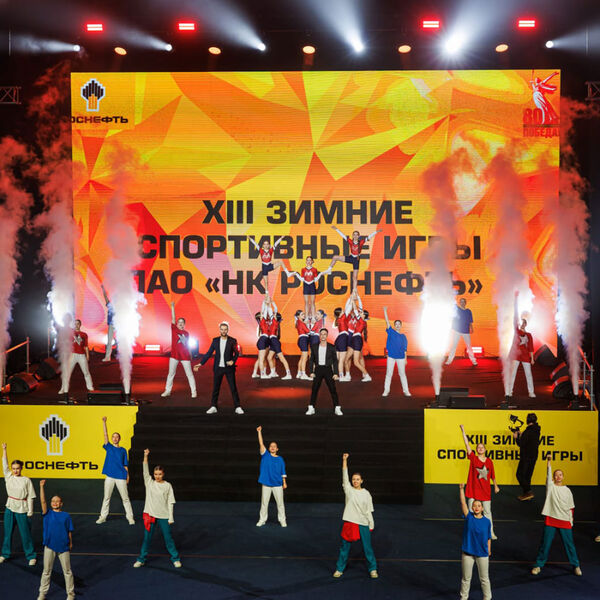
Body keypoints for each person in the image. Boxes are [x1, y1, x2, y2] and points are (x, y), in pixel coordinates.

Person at [531, 458, 582, 576]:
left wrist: (571, 521)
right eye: (556, 475)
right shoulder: (551, 487)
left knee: (570, 545)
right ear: (553, 477)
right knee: (545, 544)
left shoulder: (567, 490)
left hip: (565, 521)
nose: (558, 476)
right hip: (551, 519)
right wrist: (549, 463)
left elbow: (571, 507)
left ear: (563, 477)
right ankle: (538, 565)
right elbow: (548, 475)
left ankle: (576, 565)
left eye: (560, 475)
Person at [133, 449, 181, 569]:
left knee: (168, 539)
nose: (157, 476)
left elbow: (171, 502)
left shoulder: (167, 485)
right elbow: (145, 469)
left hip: (164, 516)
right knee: (147, 539)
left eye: (159, 474)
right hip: (150, 515)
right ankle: (141, 559)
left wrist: (171, 517)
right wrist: (145, 456)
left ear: (163, 474)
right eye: (155, 474)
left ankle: (175, 558)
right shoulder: (149, 483)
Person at [333, 453, 377, 579]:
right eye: (353, 479)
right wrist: (344, 460)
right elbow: (344, 475)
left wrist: (371, 524)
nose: (355, 481)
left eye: (358, 479)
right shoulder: (349, 490)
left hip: (363, 523)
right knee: (344, 548)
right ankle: (339, 569)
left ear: (362, 481)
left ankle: (373, 569)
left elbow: (368, 511)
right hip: (350, 522)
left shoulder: (366, 494)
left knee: (367, 548)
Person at [460, 425, 499, 540]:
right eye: (478, 447)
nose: (480, 448)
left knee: (487, 512)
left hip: (485, 491)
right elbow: (467, 444)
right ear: (476, 450)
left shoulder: (489, 461)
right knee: (470, 512)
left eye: (482, 447)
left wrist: (496, 486)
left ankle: (490, 533)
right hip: (473, 490)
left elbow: (492, 475)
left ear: (485, 450)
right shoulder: (473, 458)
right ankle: (470, 532)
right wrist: (463, 431)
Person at [194, 322, 243, 414]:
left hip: (229, 368)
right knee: (216, 388)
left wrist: (233, 361)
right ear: (220, 330)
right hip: (218, 368)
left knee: (233, 388)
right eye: (222, 329)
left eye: (225, 329)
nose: (223, 331)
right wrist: (200, 363)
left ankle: (237, 406)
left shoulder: (232, 340)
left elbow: (236, 353)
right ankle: (213, 406)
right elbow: (209, 353)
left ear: (228, 330)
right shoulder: (215, 340)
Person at [37, 480, 75, 600]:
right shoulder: (47, 513)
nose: (55, 503)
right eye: (53, 501)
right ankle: (42, 593)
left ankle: (70, 594)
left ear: (61, 503)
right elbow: (42, 501)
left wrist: (70, 543)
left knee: (67, 571)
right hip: (49, 546)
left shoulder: (66, 516)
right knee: (46, 571)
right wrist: (41, 487)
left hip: (63, 547)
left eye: (57, 501)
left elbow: (69, 530)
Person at [0, 443, 36, 565]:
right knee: (7, 533)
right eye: (14, 468)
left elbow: (30, 496)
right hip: (10, 508)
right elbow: (4, 464)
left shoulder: (26, 480)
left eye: (18, 468)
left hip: (22, 509)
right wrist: (4, 450)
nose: (15, 470)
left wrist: (30, 510)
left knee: (25, 534)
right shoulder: (8, 477)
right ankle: (5, 554)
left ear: (21, 468)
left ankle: (31, 556)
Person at [96, 416, 134, 525]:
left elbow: (125, 465)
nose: (115, 438)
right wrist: (104, 423)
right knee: (106, 498)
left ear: (119, 439)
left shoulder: (123, 450)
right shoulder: (109, 447)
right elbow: (105, 435)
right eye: (113, 437)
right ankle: (103, 517)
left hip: (121, 476)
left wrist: (127, 476)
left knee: (125, 498)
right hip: (110, 476)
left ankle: (130, 517)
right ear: (112, 439)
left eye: (117, 437)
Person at [459, 482, 492, 600]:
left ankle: (487, 597)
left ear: (482, 508)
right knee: (466, 579)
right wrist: (461, 489)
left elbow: (488, 537)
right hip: (468, 552)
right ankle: (464, 598)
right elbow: (463, 503)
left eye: (479, 505)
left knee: (484, 579)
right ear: (472, 508)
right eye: (474, 506)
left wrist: (489, 550)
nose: (476, 507)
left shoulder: (487, 521)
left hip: (482, 553)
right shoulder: (469, 517)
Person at [161, 301, 196, 398]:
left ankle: (193, 392)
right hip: (174, 355)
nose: (180, 323)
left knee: (189, 374)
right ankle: (167, 391)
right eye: (179, 322)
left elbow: (187, 345)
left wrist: (190, 354)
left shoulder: (187, 333)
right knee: (171, 374)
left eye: (182, 322)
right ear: (176, 324)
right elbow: (173, 318)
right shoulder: (174, 330)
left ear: (184, 324)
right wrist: (172, 307)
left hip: (185, 356)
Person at [255, 426, 287, 527]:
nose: (272, 447)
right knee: (264, 503)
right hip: (266, 483)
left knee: (280, 504)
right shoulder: (265, 455)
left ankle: (282, 520)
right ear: (269, 448)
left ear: (277, 449)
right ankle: (262, 520)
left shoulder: (280, 459)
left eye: (274, 446)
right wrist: (259, 432)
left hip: (277, 484)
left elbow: (283, 471)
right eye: (271, 446)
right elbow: (261, 443)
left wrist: (284, 482)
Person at [306, 328, 342, 416]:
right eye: (321, 334)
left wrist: (336, 373)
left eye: (324, 334)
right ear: (319, 335)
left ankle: (337, 408)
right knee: (315, 389)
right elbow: (311, 360)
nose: (323, 336)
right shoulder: (314, 346)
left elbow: (335, 361)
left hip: (328, 369)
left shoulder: (331, 347)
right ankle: (311, 407)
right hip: (318, 369)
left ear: (327, 336)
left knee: (332, 389)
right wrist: (311, 371)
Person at [508, 290, 535, 398]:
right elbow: (515, 316)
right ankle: (509, 391)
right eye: (521, 323)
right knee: (513, 374)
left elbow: (531, 347)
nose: (522, 324)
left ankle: (531, 392)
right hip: (516, 356)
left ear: (526, 324)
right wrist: (515, 299)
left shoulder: (529, 335)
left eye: (524, 323)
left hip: (525, 356)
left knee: (528, 374)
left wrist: (532, 358)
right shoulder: (517, 331)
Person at [285, 256, 329, 321]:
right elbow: (302, 279)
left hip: (312, 286)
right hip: (306, 285)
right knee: (306, 302)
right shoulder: (303, 269)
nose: (308, 261)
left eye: (310, 260)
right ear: (306, 261)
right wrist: (296, 274)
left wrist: (320, 274)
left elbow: (315, 279)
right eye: (307, 260)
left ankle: (313, 317)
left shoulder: (314, 269)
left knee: (312, 302)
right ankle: (306, 318)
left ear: (312, 261)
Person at [58, 318, 94, 394]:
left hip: (81, 355)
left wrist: (88, 355)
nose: (76, 325)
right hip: (72, 355)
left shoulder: (84, 334)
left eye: (78, 324)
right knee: (67, 373)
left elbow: (86, 346)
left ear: (80, 325)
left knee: (86, 372)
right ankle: (63, 388)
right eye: (75, 324)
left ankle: (90, 387)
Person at [382, 306, 410, 397]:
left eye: (399, 324)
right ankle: (386, 390)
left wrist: (405, 359)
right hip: (391, 356)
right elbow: (387, 321)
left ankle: (406, 391)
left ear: (401, 326)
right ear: (394, 326)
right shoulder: (391, 332)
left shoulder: (403, 336)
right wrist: (385, 311)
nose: (397, 325)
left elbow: (405, 349)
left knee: (402, 374)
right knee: (388, 374)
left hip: (401, 357)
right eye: (396, 324)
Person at [514, 413, 541, 501]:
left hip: (526, 457)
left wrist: (516, 438)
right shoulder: (536, 429)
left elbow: (521, 444)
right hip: (533, 456)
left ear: (528, 420)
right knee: (527, 476)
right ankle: (527, 494)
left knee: (519, 475)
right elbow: (528, 439)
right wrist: (522, 434)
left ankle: (528, 492)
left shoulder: (528, 431)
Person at [446, 298, 477, 366]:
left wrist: (471, 328)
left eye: (463, 301)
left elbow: (470, 321)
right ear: (459, 303)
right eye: (461, 301)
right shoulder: (457, 309)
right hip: (457, 331)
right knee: (454, 346)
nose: (462, 303)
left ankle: (473, 360)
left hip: (466, 331)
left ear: (465, 303)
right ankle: (449, 360)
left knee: (469, 346)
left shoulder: (468, 311)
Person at [294, 310, 311, 380]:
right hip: (303, 339)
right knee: (304, 358)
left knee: (302, 358)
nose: (304, 315)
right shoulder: (301, 322)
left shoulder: (298, 322)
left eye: (304, 314)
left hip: (302, 340)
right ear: (298, 316)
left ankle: (299, 373)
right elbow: (308, 331)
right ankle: (303, 374)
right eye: (302, 314)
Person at [100, 283, 115, 362]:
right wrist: (103, 289)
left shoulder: (121, 305)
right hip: (111, 325)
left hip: (120, 325)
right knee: (109, 341)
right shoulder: (110, 305)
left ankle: (124, 357)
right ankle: (107, 357)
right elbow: (105, 297)